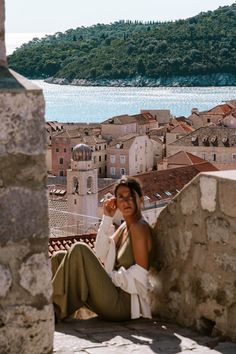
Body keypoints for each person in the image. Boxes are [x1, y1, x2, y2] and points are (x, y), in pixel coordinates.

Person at [51, 175, 155, 322]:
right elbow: (100, 253)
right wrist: (107, 218)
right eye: (120, 197)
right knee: (59, 258)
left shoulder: (139, 227)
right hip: (111, 294)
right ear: (115, 202)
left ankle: (49, 309)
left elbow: (140, 274)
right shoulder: (125, 227)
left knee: (79, 249)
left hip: (124, 304)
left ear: (140, 199)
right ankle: (50, 305)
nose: (126, 201)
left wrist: (109, 278)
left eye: (130, 196)